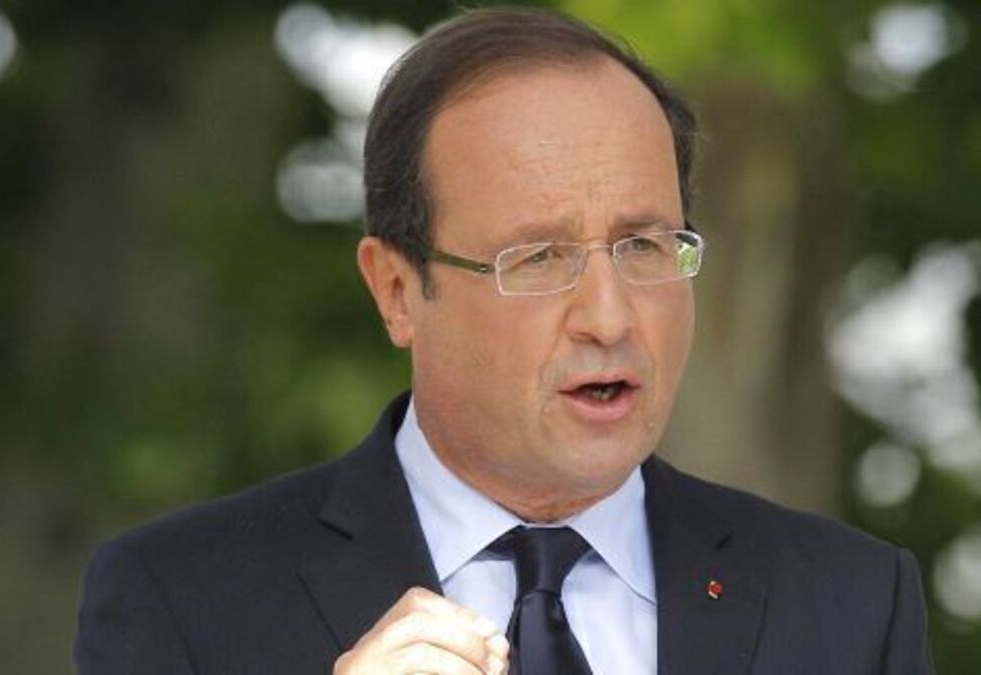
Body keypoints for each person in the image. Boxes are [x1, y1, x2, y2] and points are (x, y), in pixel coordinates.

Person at [75, 7, 933, 674]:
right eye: (539, 258)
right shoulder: (179, 599)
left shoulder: (851, 602)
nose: (610, 317)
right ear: (398, 290)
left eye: (643, 246)